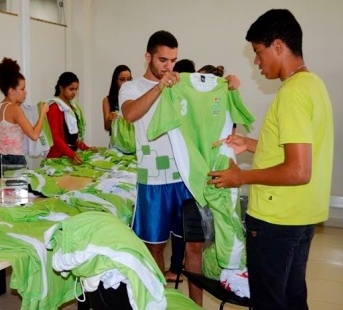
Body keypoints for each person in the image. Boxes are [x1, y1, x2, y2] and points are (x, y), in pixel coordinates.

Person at [207, 9, 334, 310]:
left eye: (258, 52)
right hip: (301, 216)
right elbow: (297, 148)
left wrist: (241, 177)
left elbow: (298, 170)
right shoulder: (313, 84)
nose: (257, 61)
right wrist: (249, 144)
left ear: (278, 46)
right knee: (292, 297)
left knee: (268, 301)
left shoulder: (291, 94)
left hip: (276, 220)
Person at [119, 30, 240, 306]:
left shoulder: (181, 85)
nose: (168, 66)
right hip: (153, 181)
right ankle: (161, 302)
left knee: (194, 245)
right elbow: (129, 113)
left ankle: (195, 306)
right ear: (147, 56)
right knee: (155, 247)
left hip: (187, 177)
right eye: (162, 59)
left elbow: (209, 106)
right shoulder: (132, 87)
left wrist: (227, 85)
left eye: (173, 60)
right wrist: (160, 86)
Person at [164, 58, 196, 284]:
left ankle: (176, 267)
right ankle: (179, 265)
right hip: (192, 169)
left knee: (181, 224)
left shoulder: (177, 97)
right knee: (186, 225)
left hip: (183, 170)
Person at [0, 57, 49, 165]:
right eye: (22, 89)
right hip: (16, 159)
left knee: (7, 182)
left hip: (2, 159)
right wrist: (42, 113)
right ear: (11, 90)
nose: (25, 92)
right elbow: (34, 135)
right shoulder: (14, 109)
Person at [47, 71, 95, 165]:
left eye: (76, 89)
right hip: (58, 156)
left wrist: (86, 148)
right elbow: (55, 136)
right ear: (61, 88)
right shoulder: (54, 107)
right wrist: (71, 154)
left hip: (69, 155)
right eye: (71, 89)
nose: (74, 93)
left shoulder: (73, 106)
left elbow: (73, 136)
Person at [102, 65, 132, 134]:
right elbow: (107, 127)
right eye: (122, 79)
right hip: (116, 141)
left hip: (134, 140)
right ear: (116, 80)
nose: (126, 82)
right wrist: (109, 119)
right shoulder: (107, 100)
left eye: (128, 79)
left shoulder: (135, 97)